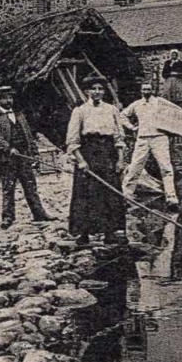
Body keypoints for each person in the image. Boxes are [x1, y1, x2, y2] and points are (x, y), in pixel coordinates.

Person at [66, 77, 130, 246]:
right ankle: (84, 233)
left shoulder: (111, 110)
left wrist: (120, 160)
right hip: (88, 153)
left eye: (100, 89)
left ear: (104, 91)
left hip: (108, 154)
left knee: (111, 193)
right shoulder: (79, 111)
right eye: (93, 89)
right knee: (86, 193)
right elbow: (72, 140)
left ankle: (111, 232)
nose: (97, 92)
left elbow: (118, 137)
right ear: (87, 91)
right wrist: (81, 161)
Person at [0, 85, 51, 228]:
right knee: (8, 188)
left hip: (24, 156)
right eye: (4, 98)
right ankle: (8, 217)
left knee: (30, 186)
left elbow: (28, 135)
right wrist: (8, 149)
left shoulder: (19, 115)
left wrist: (35, 153)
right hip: (6, 159)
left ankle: (39, 213)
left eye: (10, 97)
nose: (8, 101)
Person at [122, 79, 180, 211]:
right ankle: (126, 195)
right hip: (142, 139)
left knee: (166, 167)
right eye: (144, 89)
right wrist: (131, 127)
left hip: (159, 138)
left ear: (152, 90)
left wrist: (170, 129)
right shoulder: (137, 104)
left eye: (148, 89)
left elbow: (175, 115)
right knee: (135, 167)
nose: (146, 92)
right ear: (141, 91)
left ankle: (171, 198)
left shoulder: (160, 103)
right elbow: (122, 116)